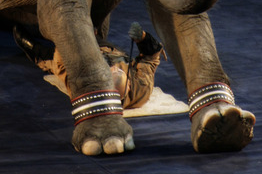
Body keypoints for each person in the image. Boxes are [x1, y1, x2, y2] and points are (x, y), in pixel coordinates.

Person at [13, 22, 164, 110]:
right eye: (117, 70)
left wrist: (64, 38)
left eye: (111, 71)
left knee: (44, 54)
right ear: (129, 84)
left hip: (80, 58)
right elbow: (151, 58)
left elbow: (61, 65)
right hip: (109, 50)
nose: (113, 68)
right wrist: (142, 37)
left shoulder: (87, 89)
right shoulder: (141, 88)